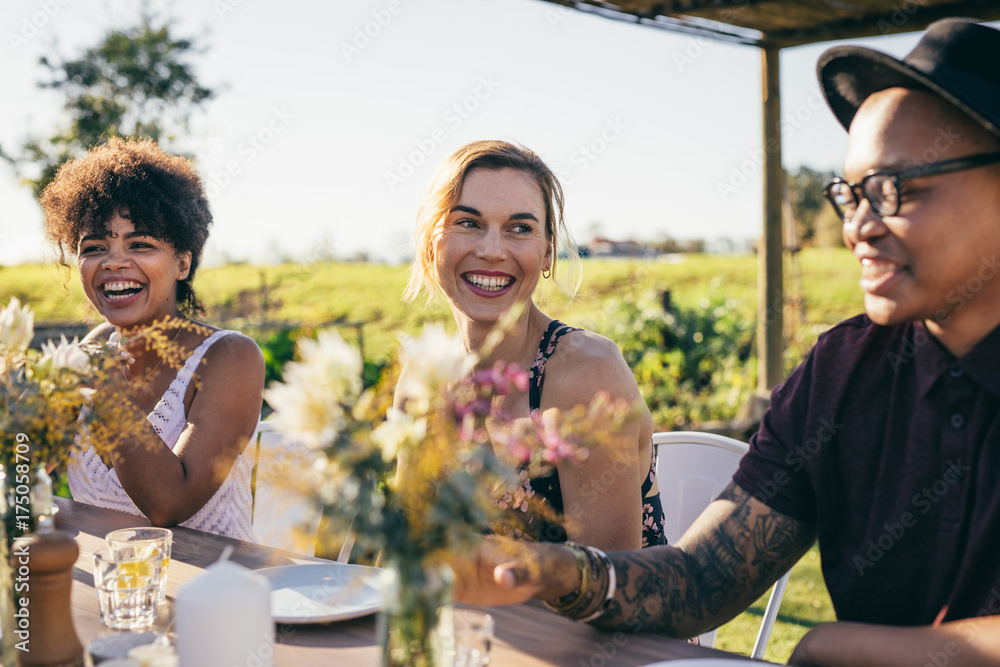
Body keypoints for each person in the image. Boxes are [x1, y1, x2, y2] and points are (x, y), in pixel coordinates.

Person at [454, 18, 1000, 665]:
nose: (858, 226)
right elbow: (701, 577)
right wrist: (560, 570)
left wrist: (841, 642)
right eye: (849, 194)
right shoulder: (844, 370)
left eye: (892, 190)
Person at [401, 140, 666, 550]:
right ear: (430, 243)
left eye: (519, 228)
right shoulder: (423, 377)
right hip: (461, 615)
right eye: (468, 223)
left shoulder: (587, 375)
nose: (491, 251)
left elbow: (609, 591)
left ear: (546, 252)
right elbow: (402, 551)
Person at [41, 137, 264, 541]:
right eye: (94, 248)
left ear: (182, 262)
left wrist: (109, 394)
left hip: (210, 590)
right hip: (108, 587)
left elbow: (168, 505)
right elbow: (22, 477)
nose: (113, 262)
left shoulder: (231, 357)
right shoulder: (94, 348)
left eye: (140, 244)